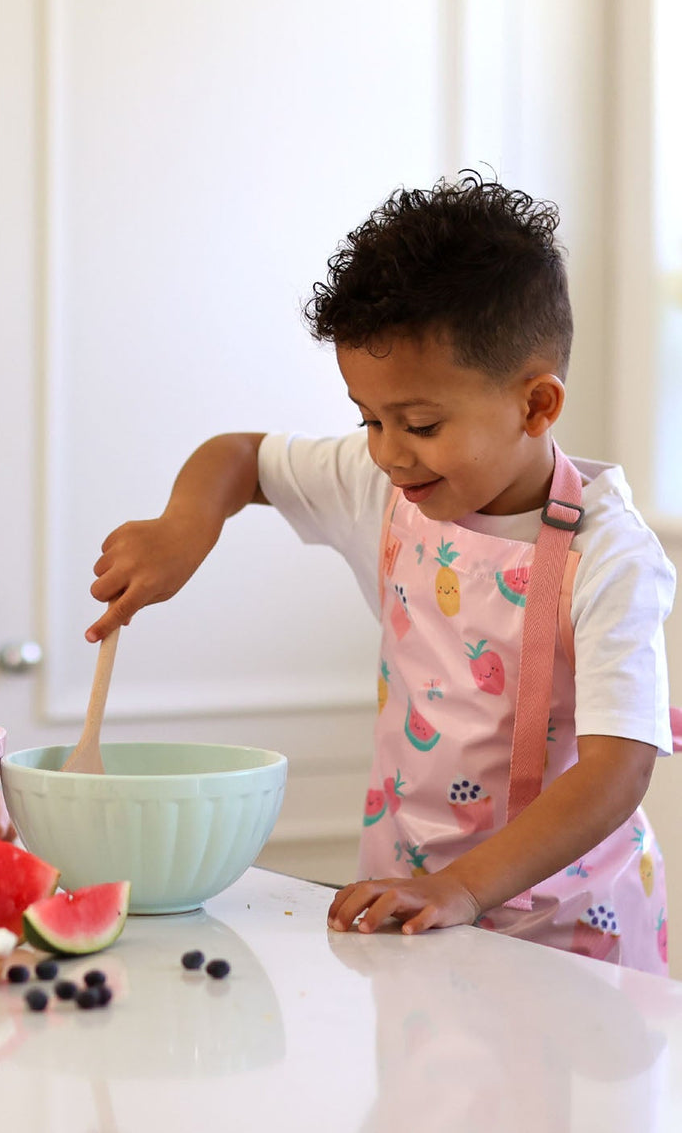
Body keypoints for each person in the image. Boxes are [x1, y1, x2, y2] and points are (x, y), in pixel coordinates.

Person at [86, 174, 675, 974]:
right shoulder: (387, 488)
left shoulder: (611, 557)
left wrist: (467, 886)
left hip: (569, 933)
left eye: (422, 424)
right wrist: (185, 528)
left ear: (538, 406)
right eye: (369, 418)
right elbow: (239, 457)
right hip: (413, 904)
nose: (389, 452)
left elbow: (618, 769)